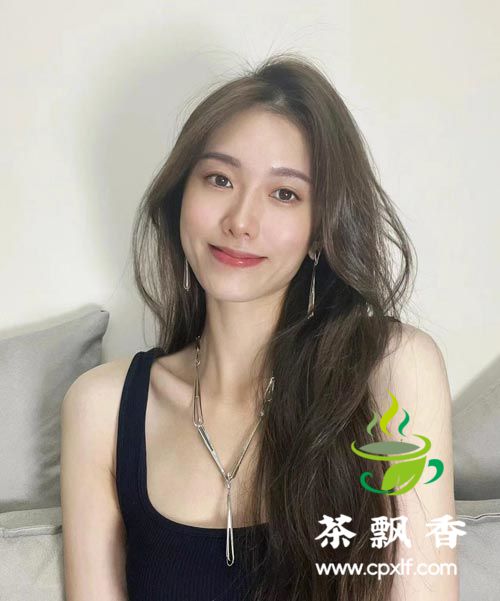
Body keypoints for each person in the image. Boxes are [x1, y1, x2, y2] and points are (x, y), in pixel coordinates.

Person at [60, 53, 458, 601]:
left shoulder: (392, 369)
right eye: (219, 179)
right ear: (181, 198)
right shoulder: (101, 408)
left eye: (284, 193)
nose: (241, 221)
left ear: (320, 231)